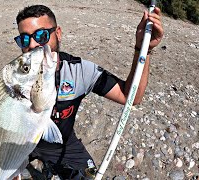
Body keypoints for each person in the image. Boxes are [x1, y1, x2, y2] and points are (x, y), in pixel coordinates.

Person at [13, 4, 163, 179]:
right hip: (20, 144)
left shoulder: (80, 72)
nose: (32, 45)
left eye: (41, 35)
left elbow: (132, 97)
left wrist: (143, 49)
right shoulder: (14, 77)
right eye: (24, 40)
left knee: (90, 176)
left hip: (65, 145)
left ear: (58, 33)